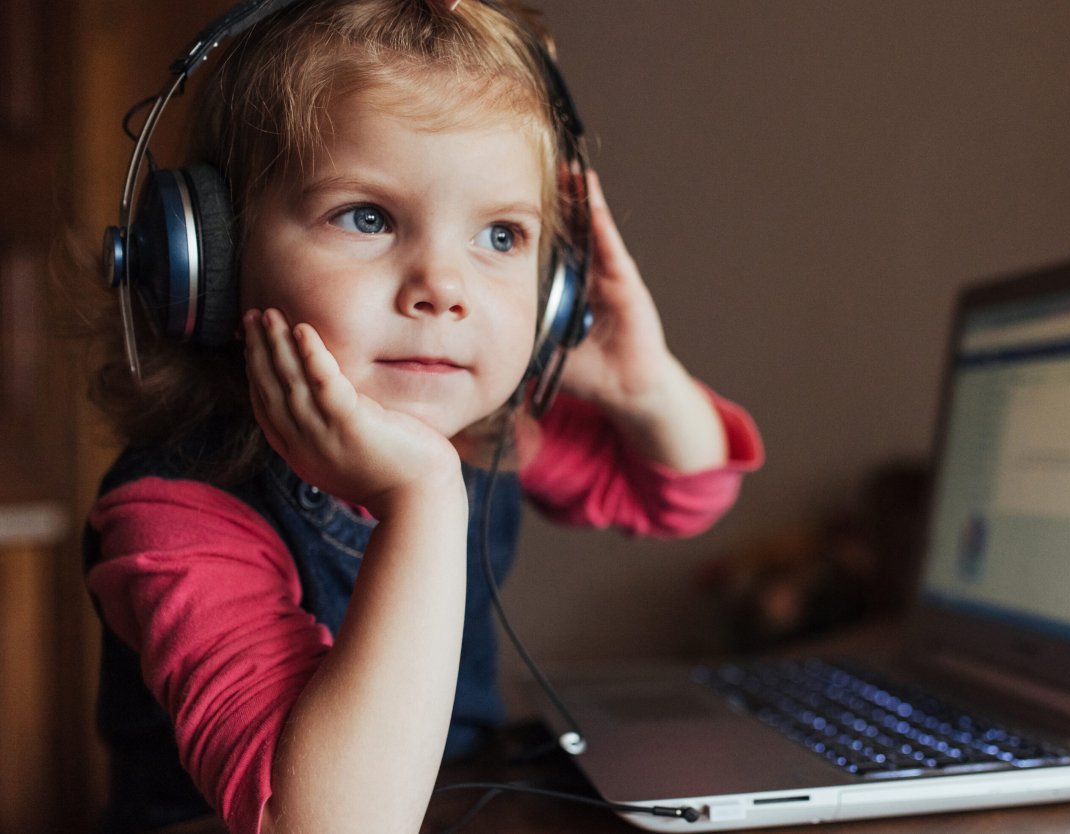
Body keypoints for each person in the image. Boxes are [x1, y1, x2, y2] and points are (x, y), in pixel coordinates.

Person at [80, 1, 763, 832]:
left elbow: (682, 494)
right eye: (367, 217)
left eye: (503, 237)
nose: (443, 287)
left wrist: (644, 385)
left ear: (557, 293)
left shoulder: (486, 437)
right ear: (212, 261)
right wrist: (424, 497)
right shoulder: (179, 515)